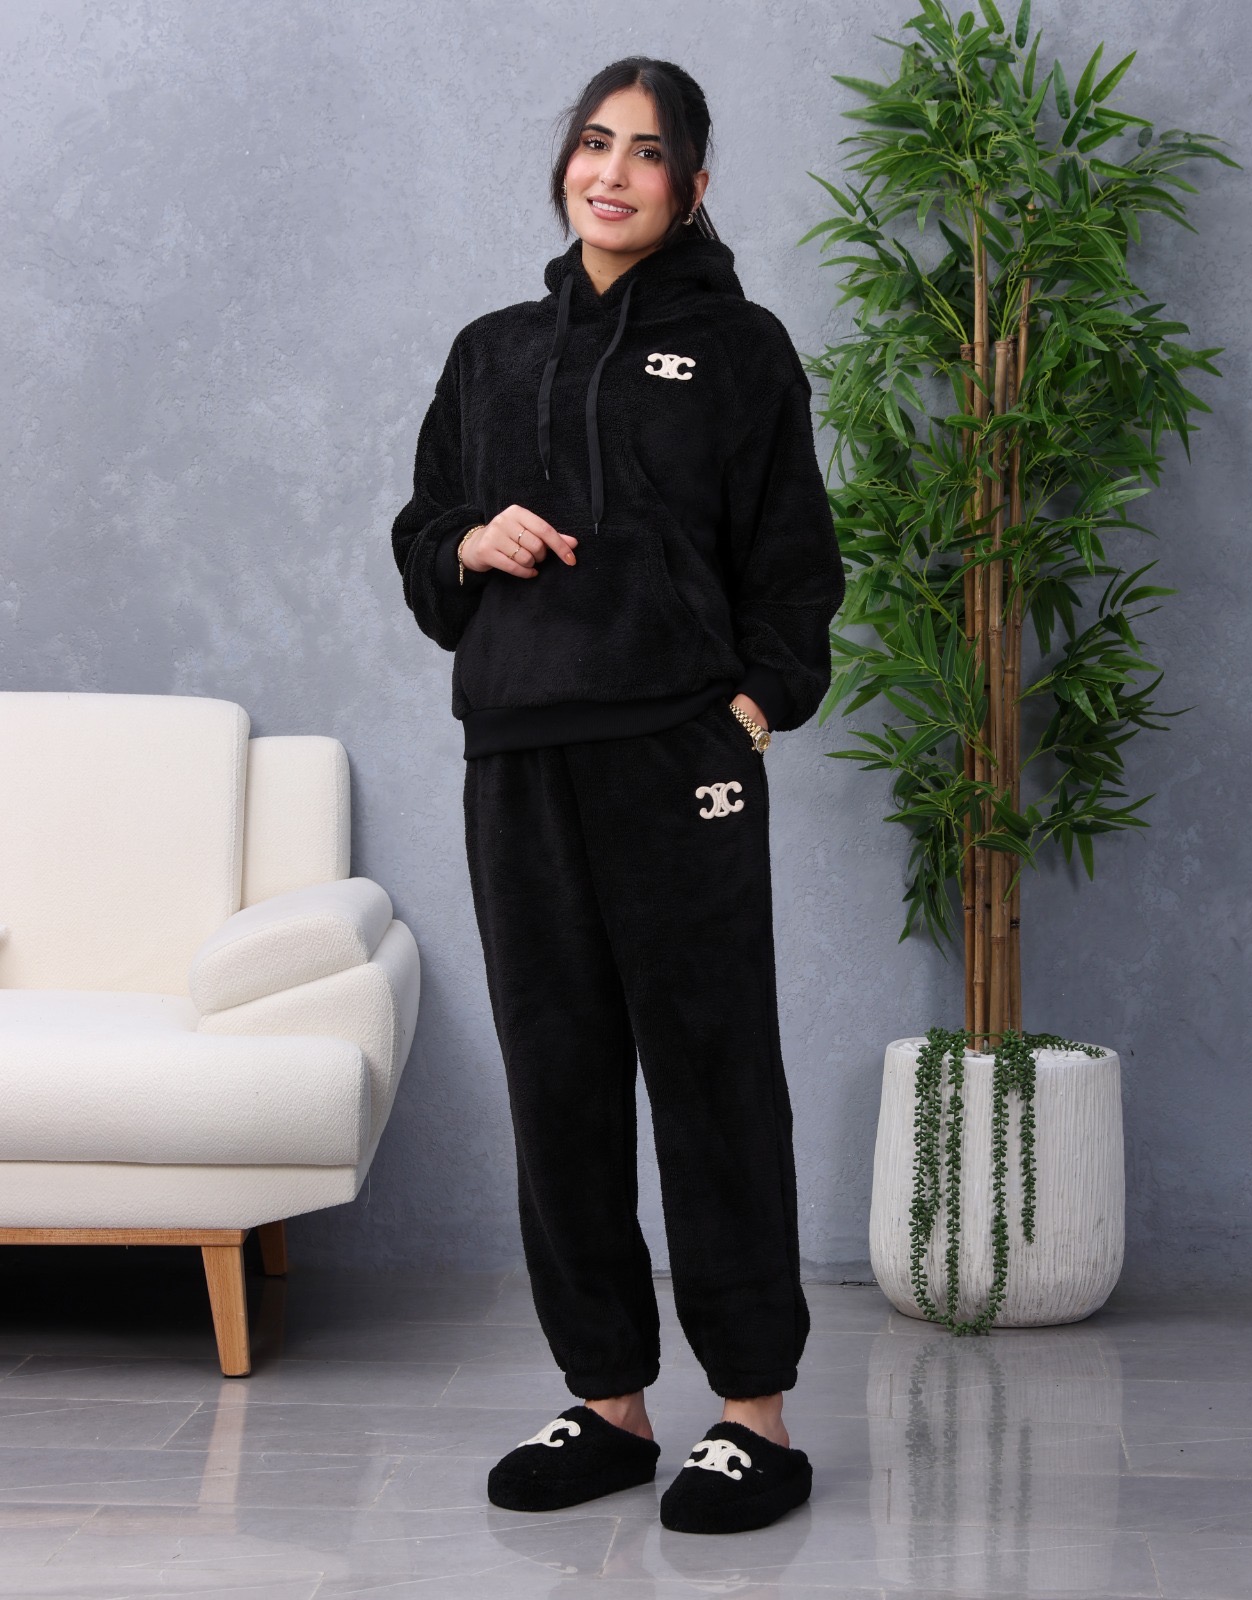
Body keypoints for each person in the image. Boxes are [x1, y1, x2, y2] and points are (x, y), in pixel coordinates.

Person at [391, 56, 845, 1535]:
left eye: (649, 152)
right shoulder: (491, 352)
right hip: (519, 759)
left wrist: (751, 710)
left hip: (676, 757)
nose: (613, 172)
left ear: (693, 186)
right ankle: (608, 1403)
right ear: (566, 164)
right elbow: (423, 538)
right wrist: (472, 543)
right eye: (595, 142)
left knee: (713, 1077)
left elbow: (795, 564)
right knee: (559, 1082)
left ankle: (754, 1417)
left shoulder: (742, 350)